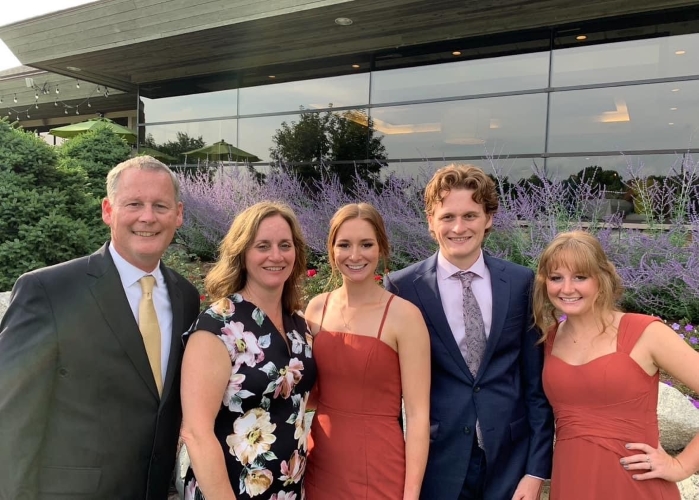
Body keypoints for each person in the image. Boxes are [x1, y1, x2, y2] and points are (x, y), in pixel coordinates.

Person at [0, 156, 201, 500]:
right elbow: (9, 415)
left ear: (178, 214)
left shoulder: (186, 296)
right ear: (108, 210)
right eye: (134, 204)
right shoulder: (50, 291)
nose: (148, 217)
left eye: (160, 206)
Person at [384, 164, 554, 499]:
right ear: (431, 221)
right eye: (447, 217)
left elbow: (536, 386)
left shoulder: (521, 283)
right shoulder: (402, 288)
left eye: (470, 215)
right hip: (438, 460)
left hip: (509, 459)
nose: (458, 227)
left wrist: (536, 471)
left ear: (488, 218)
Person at [534, 230, 699, 499]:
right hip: (572, 483)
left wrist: (681, 465)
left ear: (601, 278)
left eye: (580, 277)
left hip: (634, 485)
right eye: (556, 278)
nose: (566, 288)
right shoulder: (548, 339)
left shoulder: (645, 332)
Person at [180, 201, 317, 500]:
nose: (276, 256)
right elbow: (196, 432)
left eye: (285, 245)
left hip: (289, 491)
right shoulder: (217, 327)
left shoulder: (299, 325)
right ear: (241, 253)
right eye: (262, 246)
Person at [304, 202, 431, 499]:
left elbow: (417, 414)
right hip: (319, 460)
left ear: (381, 248)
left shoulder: (405, 316)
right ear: (332, 249)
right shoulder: (316, 309)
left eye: (366, 244)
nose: (355, 255)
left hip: (378, 466)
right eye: (344, 244)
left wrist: (411, 495)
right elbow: (308, 395)